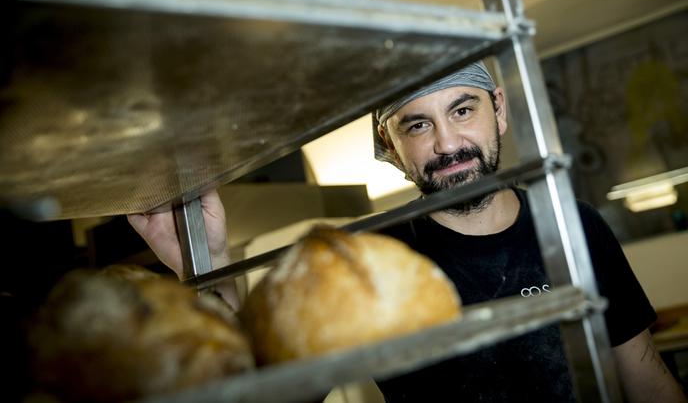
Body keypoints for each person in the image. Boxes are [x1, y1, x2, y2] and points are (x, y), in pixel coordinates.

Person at [128, 63, 686, 402]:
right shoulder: (363, 265)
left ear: (499, 111)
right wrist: (206, 265)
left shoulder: (575, 224)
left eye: (462, 110)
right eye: (417, 125)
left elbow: (645, 377)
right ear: (391, 148)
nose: (446, 144)